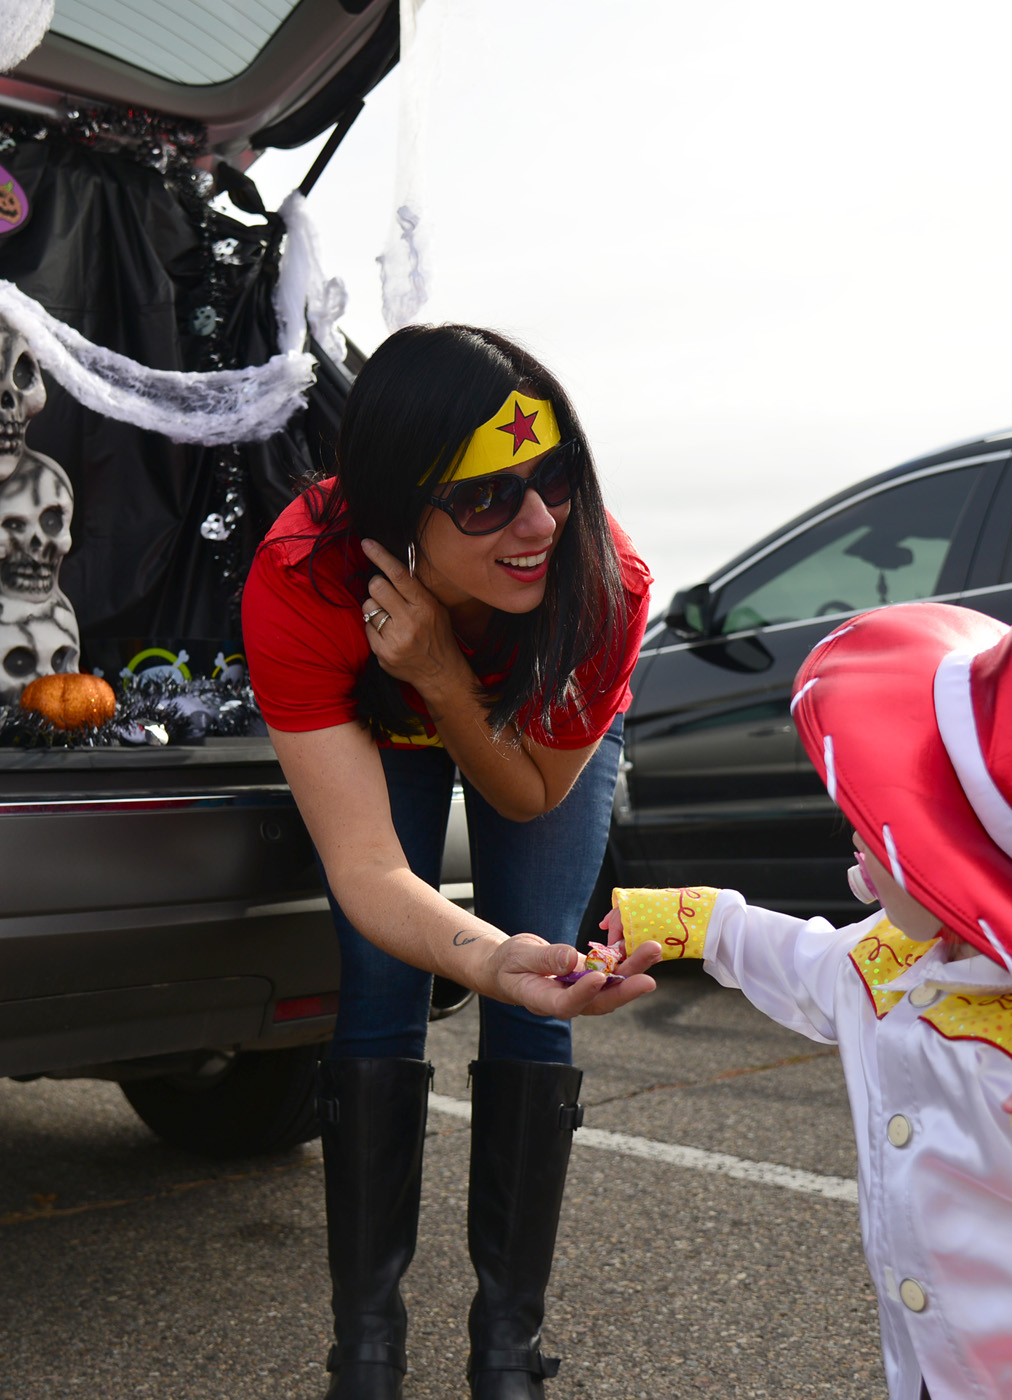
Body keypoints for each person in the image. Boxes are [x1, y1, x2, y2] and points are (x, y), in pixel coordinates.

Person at [605, 603, 1012, 1400]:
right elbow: (803, 961)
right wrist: (700, 921)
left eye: (890, 816)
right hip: (942, 1367)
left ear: (969, 866)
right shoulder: (895, 957)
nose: (857, 825)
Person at [240, 324, 660, 1400]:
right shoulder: (302, 575)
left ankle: (506, 1346)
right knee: (378, 988)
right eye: (486, 499)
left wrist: (436, 668)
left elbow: (525, 792)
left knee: (542, 1000)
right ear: (395, 504)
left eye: (554, 477)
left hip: (505, 721)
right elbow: (372, 872)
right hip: (382, 715)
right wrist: (476, 955)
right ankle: (367, 1347)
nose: (538, 523)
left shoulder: (599, 584)